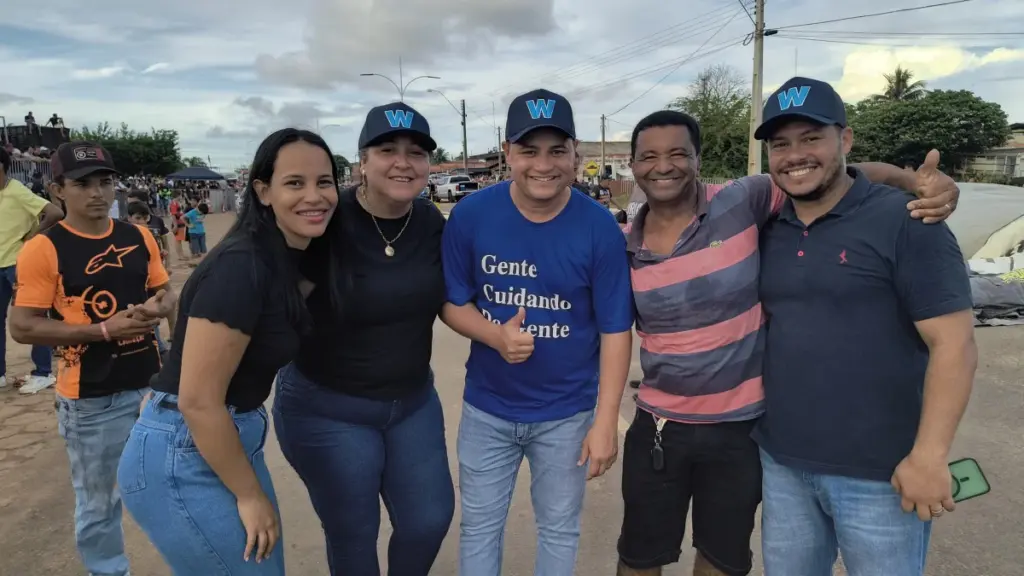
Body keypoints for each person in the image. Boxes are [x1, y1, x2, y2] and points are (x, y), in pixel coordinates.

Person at [615, 108, 960, 576]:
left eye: (678, 153)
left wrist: (914, 182)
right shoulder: (624, 244)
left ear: (698, 159)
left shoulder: (744, 199)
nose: (663, 166)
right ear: (633, 165)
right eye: (649, 156)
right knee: (639, 556)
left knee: (721, 557)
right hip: (660, 423)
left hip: (739, 428)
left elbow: (836, 175)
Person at [752, 77, 976, 576]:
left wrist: (930, 455)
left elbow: (955, 344)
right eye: (781, 144)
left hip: (881, 472)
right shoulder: (768, 226)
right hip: (783, 464)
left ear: (846, 139)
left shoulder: (908, 221)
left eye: (812, 138)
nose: (795, 155)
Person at [118, 128, 340, 575]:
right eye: (294, 183)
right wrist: (249, 495)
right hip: (186, 451)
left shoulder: (284, 257)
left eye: (324, 182)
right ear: (263, 191)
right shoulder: (243, 265)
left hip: (217, 438)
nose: (314, 196)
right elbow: (199, 401)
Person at [441, 89, 634, 575]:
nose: (543, 165)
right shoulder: (471, 215)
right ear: (508, 152)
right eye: (529, 151)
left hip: (567, 414)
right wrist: (495, 337)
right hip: (487, 409)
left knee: (559, 528)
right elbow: (452, 302)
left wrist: (605, 422)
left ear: (575, 154)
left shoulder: (599, 227)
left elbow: (615, 328)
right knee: (480, 527)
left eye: (556, 150)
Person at [273, 102, 454, 576]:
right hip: (328, 409)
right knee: (354, 533)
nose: (403, 163)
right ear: (363, 161)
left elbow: (452, 297)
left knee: (428, 521)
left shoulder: (430, 221)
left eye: (416, 153)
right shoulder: (326, 219)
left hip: (412, 404)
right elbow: (270, 297)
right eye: (387, 150)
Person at [8, 141, 175, 576]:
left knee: (172, 485)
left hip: (152, 387)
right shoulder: (44, 248)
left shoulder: (137, 236)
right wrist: (102, 330)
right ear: (57, 190)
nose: (98, 193)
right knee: (99, 503)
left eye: (105, 182)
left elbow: (163, 292)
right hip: (92, 399)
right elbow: (22, 326)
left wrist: (162, 312)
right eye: (83, 184)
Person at [0, 146, 64, 393]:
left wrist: (31, 236)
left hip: (18, 263)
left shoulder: (17, 190)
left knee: (33, 319)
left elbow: (54, 212)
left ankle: (43, 373)